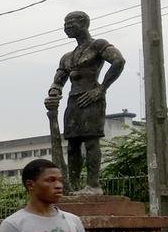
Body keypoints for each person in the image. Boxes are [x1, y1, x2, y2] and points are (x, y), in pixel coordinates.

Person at [47, 11, 125, 194]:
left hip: (91, 98)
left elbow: (118, 61)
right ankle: (74, 187)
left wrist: (101, 89)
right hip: (73, 101)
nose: (66, 27)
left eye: (70, 23)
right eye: (65, 23)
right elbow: (58, 80)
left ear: (84, 24)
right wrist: (54, 91)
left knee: (91, 142)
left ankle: (93, 185)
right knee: (73, 145)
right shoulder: (67, 57)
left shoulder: (98, 45)